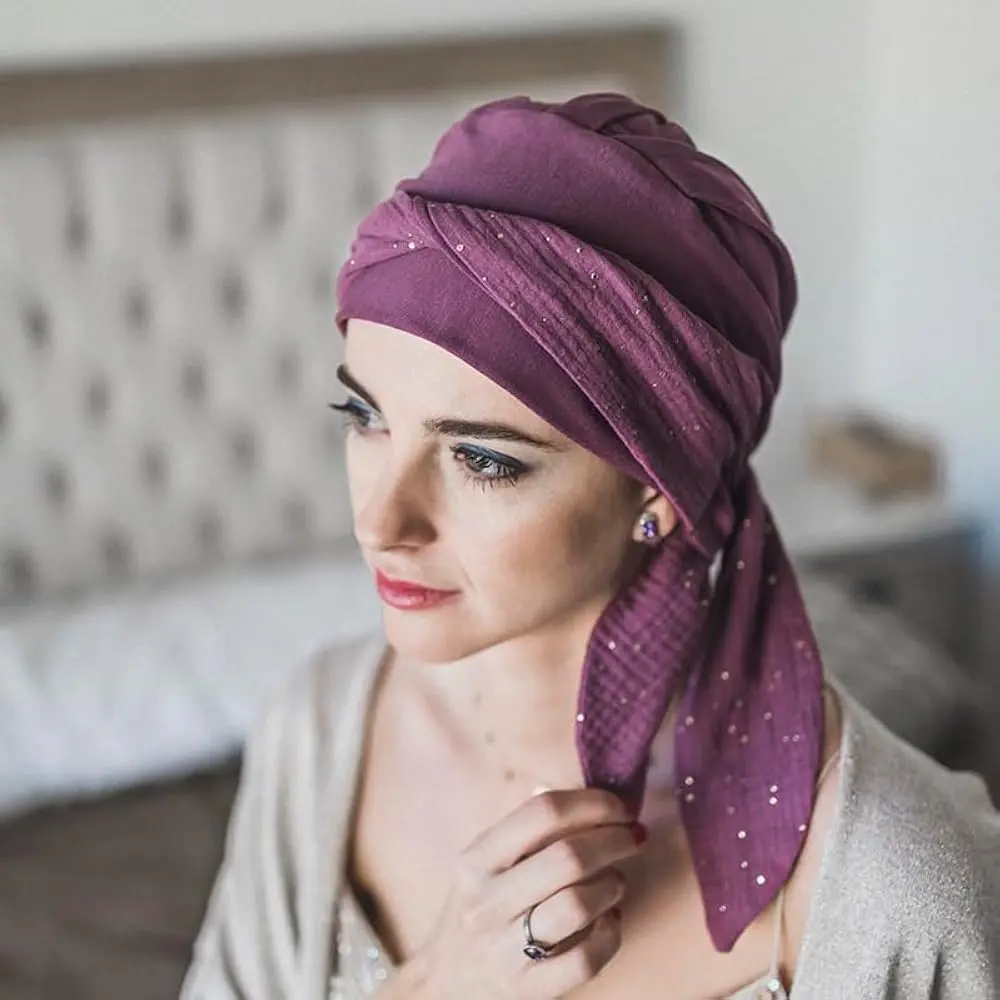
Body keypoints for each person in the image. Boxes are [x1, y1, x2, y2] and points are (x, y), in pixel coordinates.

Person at [180, 95, 1000, 1000]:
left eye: (482, 459)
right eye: (365, 416)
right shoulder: (320, 731)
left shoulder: (898, 886)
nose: (380, 522)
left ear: (659, 492)